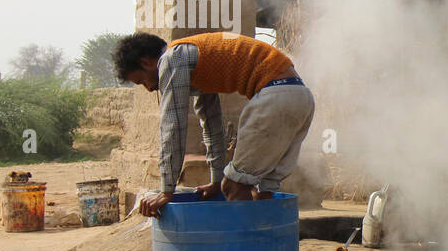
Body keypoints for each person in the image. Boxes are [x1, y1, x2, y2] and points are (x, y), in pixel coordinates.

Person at [113, 31, 315, 216]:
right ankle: (268, 246)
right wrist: (216, 181)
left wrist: (166, 190)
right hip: (300, 96)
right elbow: (211, 125)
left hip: (276, 96)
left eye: (142, 81)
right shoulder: (196, 57)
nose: (149, 89)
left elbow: (172, 127)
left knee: (235, 187)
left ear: (146, 62)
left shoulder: (172, 59)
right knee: (263, 189)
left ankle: (245, 250)